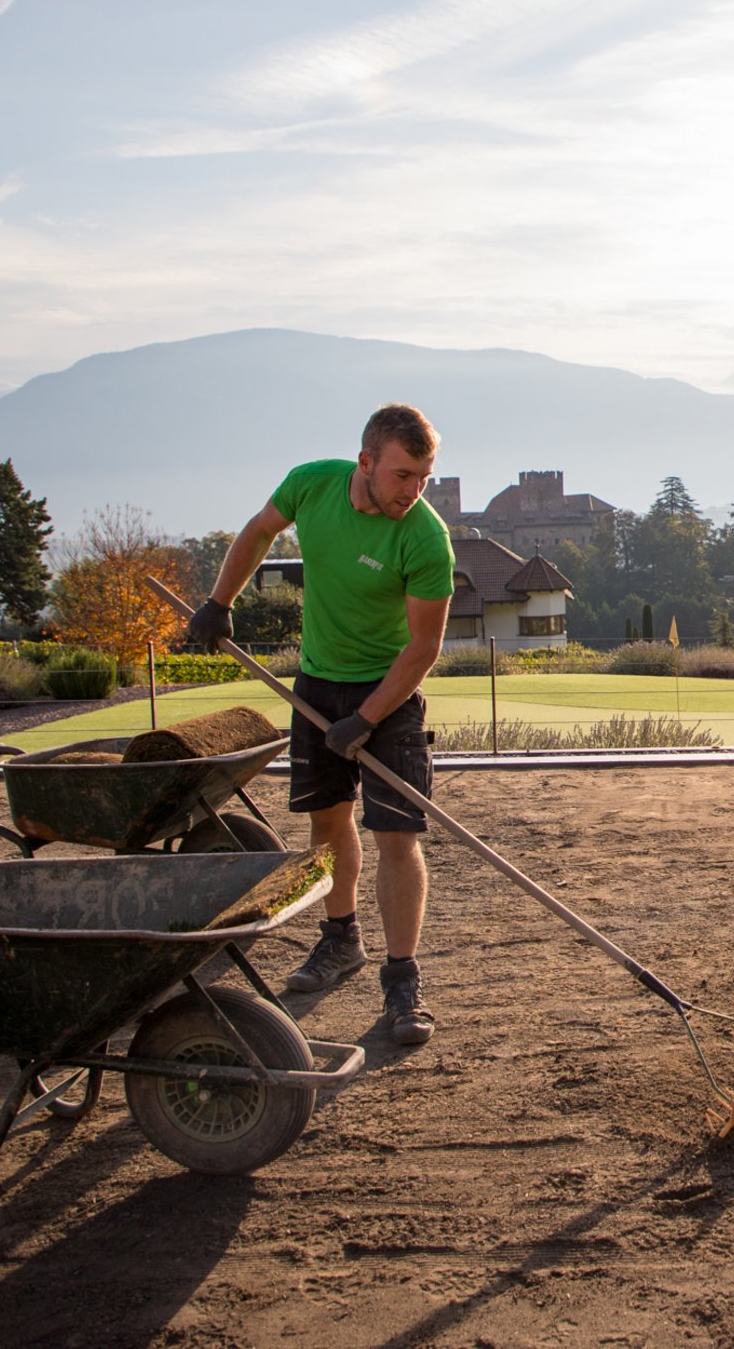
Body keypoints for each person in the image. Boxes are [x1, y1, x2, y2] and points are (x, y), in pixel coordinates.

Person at [188, 404, 455, 1044]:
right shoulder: (311, 484)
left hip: (388, 692)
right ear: (365, 462)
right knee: (327, 819)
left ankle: (402, 983)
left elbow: (423, 649)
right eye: (401, 475)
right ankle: (340, 940)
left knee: (396, 833)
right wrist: (219, 602)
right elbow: (256, 532)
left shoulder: (425, 536)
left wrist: (365, 718)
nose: (412, 490)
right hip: (316, 682)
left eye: (422, 476)